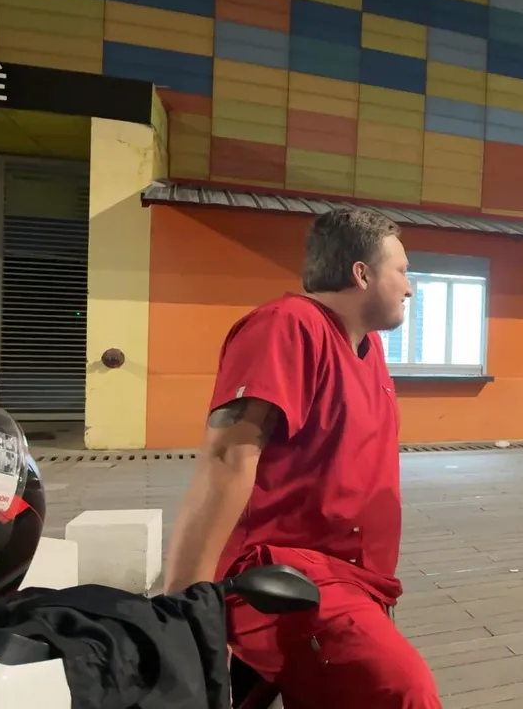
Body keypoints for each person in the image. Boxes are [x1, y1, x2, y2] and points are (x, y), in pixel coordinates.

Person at [163, 208, 442, 708]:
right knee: (403, 689)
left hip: (355, 580)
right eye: (402, 271)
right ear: (362, 273)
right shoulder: (287, 326)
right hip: (285, 575)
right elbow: (226, 459)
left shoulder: (369, 347)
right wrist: (185, 612)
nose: (410, 288)